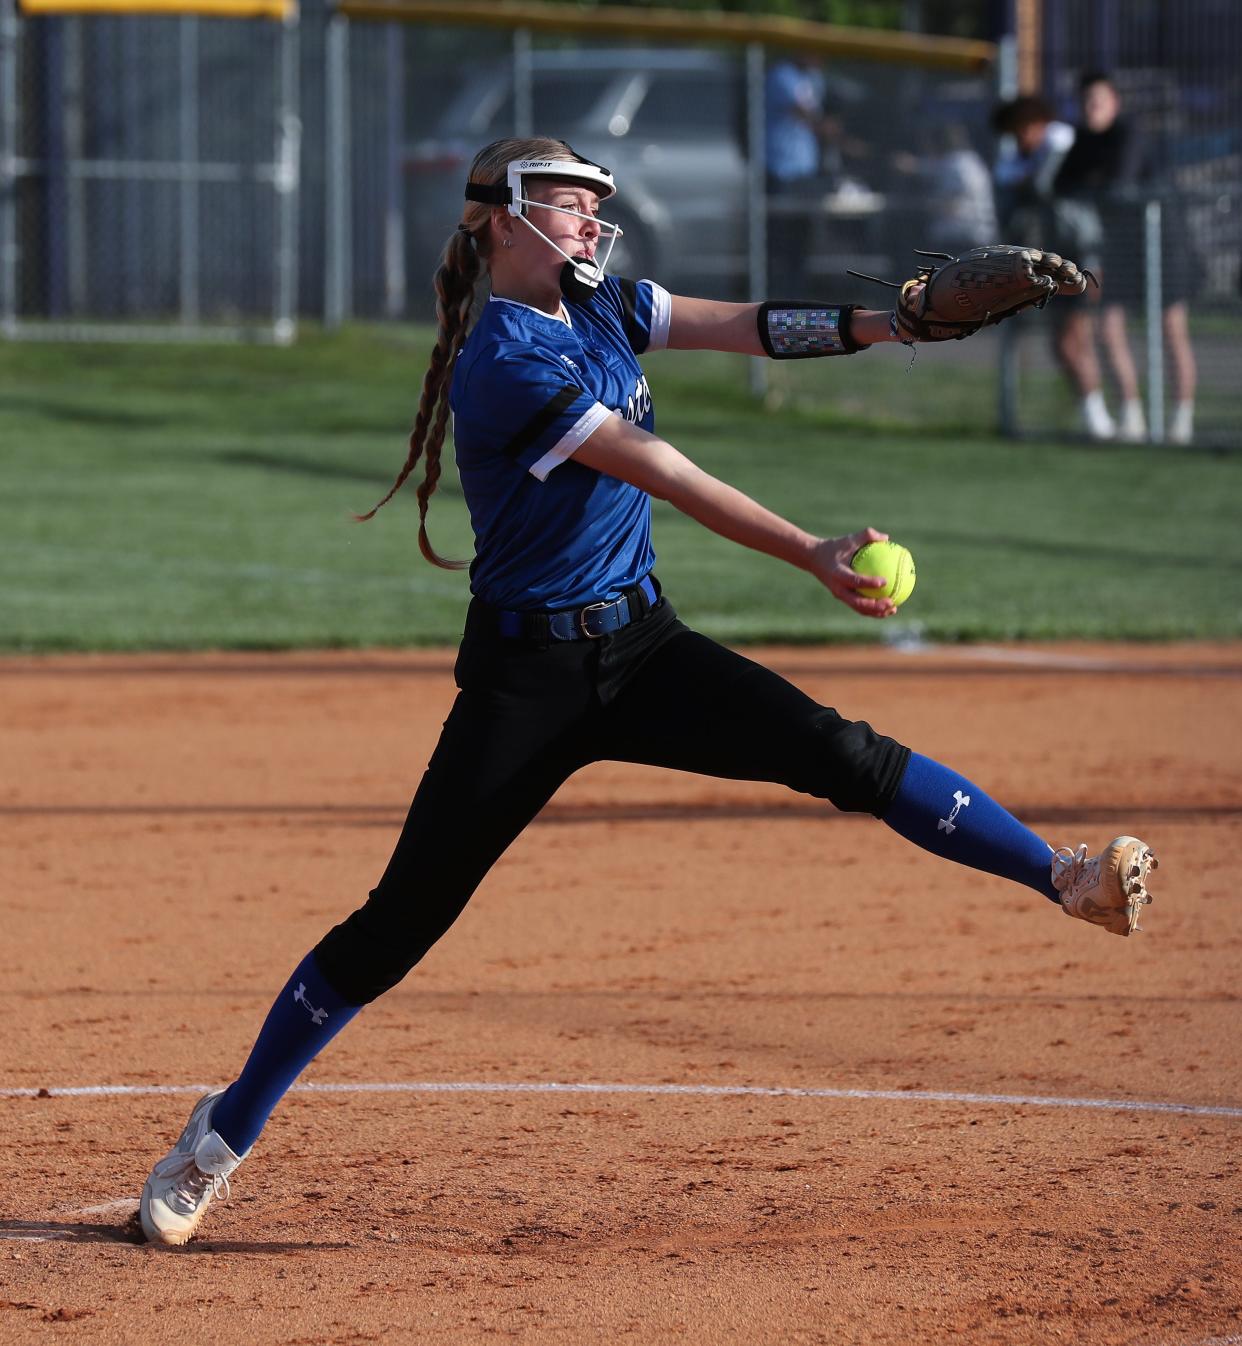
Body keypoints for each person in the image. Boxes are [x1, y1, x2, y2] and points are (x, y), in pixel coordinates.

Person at [137, 137, 1159, 1246]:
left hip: (642, 646)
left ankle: (1068, 876)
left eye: (593, 205)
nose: (588, 221)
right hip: (527, 680)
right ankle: (218, 1135)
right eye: (567, 204)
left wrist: (890, 322)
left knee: (841, 750)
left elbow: (755, 325)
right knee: (399, 925)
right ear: (501, 220)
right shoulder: (506, 363)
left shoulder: (609, 308)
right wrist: (810, 549)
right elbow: (664, 472)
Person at [1053, 72, 1198, 445]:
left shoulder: (1130, 133)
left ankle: (1181, 422)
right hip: (1118, 248)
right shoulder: (1082, 141)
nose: (1091, 109)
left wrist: (1092, 184)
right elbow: (1061, 185)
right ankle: (1132, 417)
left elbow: (1121, 183)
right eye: (1085, 102)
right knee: (1109, 329)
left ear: (1115, 103)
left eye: (1098, 101)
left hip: (1163, 242)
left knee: (1171, 329)